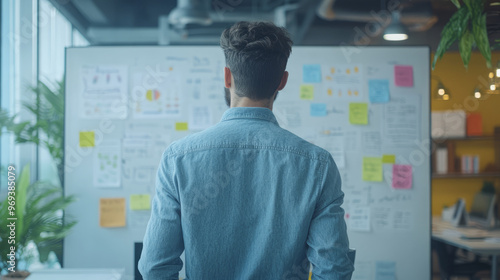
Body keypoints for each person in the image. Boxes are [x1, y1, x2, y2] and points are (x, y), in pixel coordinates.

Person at [139, 21, 354, 280]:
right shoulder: (318, 165)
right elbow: (333, 270)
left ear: (227, 76)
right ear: (282, 81)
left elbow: (154, 267)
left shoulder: (178, 159)